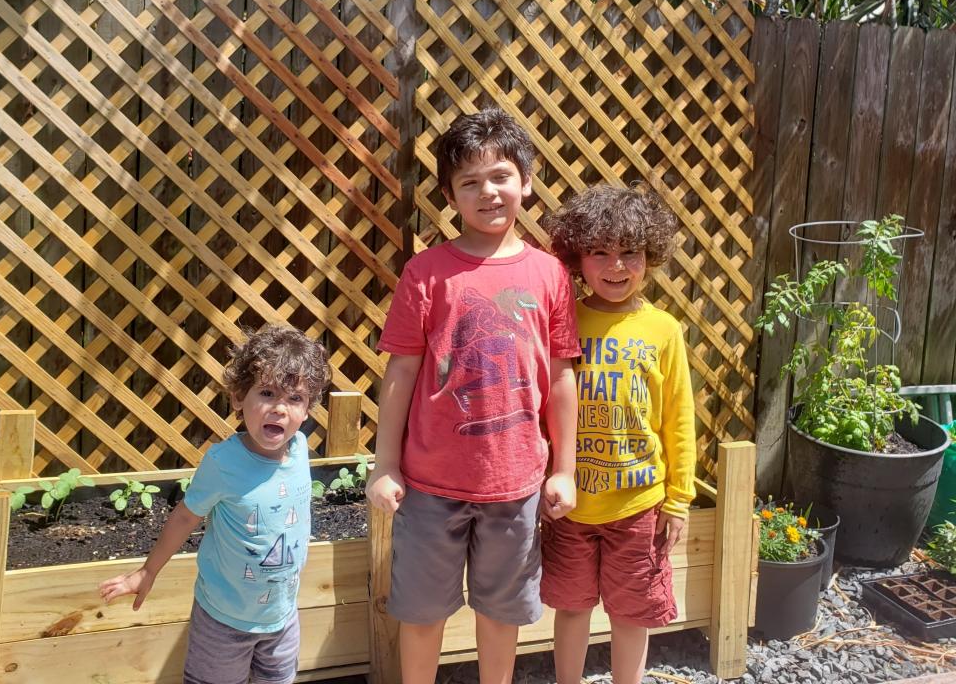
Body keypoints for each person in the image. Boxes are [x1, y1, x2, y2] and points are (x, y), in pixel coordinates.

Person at [366, 107, 580, 684]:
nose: (488, 192)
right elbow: (400, 374)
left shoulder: (549, 276)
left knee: (501, 613)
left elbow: (561, 378)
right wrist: (385, 464)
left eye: (501, 176)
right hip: (430, 486)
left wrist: (565, 469)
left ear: (527, 181)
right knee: (421, 613)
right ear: (450, 194)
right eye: (470, 182)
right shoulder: (426, 273)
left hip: (514, 484)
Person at [99, 324, 330, 684]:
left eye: (295, 399)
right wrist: (147, 572)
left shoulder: (299, 450)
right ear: (239, 398)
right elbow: (185, 516)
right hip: (224, 620)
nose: (280, 409)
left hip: (283, 616)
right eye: (267, 393)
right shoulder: (224, 463)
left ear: (308, 408)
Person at [539, 184, 696, 684]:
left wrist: (678, 500)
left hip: (639, 507)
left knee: (632, 614)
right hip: (570, 506)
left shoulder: (664, 329)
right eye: (600, 252)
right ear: (576, 257)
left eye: (630, 252)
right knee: (572, 609)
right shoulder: (561, 319)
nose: (617, 265)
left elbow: (679, 419)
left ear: (650, 255)